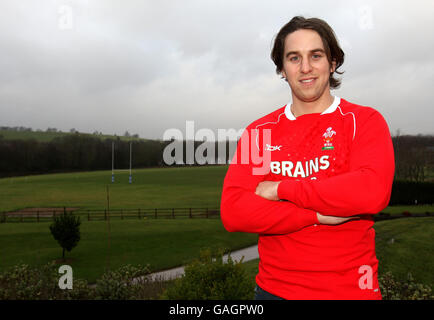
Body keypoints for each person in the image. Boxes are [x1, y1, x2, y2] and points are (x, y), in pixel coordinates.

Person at [220, 16, 395, 300]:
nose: (305, 68)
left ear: (333, 62)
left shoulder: (363, 121)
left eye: (315, 55)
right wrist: (316, 214)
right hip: (274, 291)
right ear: (281, 68)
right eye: (293, 58)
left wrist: (280, 189)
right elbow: (234, 210)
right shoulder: (260, 132)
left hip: (350, 291)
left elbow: (371, 192)